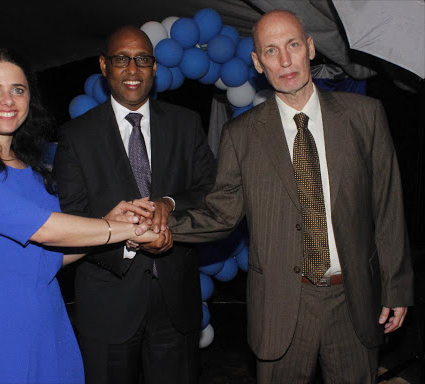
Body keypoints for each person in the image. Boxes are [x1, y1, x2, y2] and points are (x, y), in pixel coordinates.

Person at [167, 10, 414, 384]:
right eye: (270, 50)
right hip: (281, 305)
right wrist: (158, 225)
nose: (285, 60)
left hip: (354, 300)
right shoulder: (241, 135)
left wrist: (396, 287)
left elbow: (387, 207)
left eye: (293, 45)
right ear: (257, 63)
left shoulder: (365, 116)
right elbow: (220, 214)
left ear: (310, 49)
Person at [0, 46, 158, 384]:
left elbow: (50, 257)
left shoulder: (35, 173)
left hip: (47, 316)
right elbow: (44, 230)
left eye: (17, 90)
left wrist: (116, 222)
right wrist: (118, 229)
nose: (7, 100)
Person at [53, 26, 216, 384]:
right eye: (121, 59)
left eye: (142, 59)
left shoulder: (186, 124)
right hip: (108, 305)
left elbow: (211, 190)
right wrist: (125, 240)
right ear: (103, 65)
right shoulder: (76, 136)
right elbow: (69, 220)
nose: (132, 69)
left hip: (176, 304)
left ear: (154, 67)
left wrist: (170, 204)